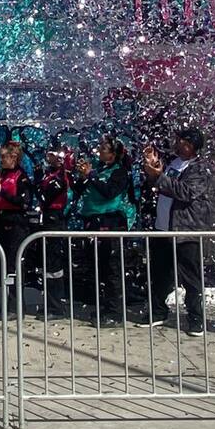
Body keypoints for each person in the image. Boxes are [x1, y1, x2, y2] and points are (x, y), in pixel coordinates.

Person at [139, 127, 213, 335]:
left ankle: (195, 318)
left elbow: (186, 192)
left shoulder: (200, 168)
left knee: (190, 276)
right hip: (163, 227)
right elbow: (160, 185)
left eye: (181, 141)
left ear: (190, 145)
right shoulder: (173, 163)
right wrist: (152, 171)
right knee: (160, 273)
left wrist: (159, 176)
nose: (176, 143)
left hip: (185, 230)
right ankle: (158, 311)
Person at [74, 136, 134, 327]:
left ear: (113, 154)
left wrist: (91, 176)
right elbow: (78, 190)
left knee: (112, 269)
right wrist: (83, 177)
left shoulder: (120, 172)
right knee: (99, 268)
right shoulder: (100, 170)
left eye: (104, 148)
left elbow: (109, 192)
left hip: (112, 222)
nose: (100, 150)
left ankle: (115, 313)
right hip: (94, 222)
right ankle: (103, 307)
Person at [0, 143, 32, 306]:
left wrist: (2, 192)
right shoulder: (1, 173)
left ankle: (16, 304)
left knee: (15, 264)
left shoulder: (21, 176)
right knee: (4, 263)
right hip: (1, 221)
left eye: (3, 157)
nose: (0, 160)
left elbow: (24, 202)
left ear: (13, 157)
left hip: (16, 223)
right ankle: (7, 301)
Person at [34, 149, 73, 317]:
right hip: (48, 219)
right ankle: (51, 304)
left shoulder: (61, 177)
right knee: (48, 265)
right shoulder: (50, 174)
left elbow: (46, 197)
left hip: (55, 220)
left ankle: (56, 307)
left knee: (53, 265)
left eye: (57, 157)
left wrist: (37, 185)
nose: (51, 159)